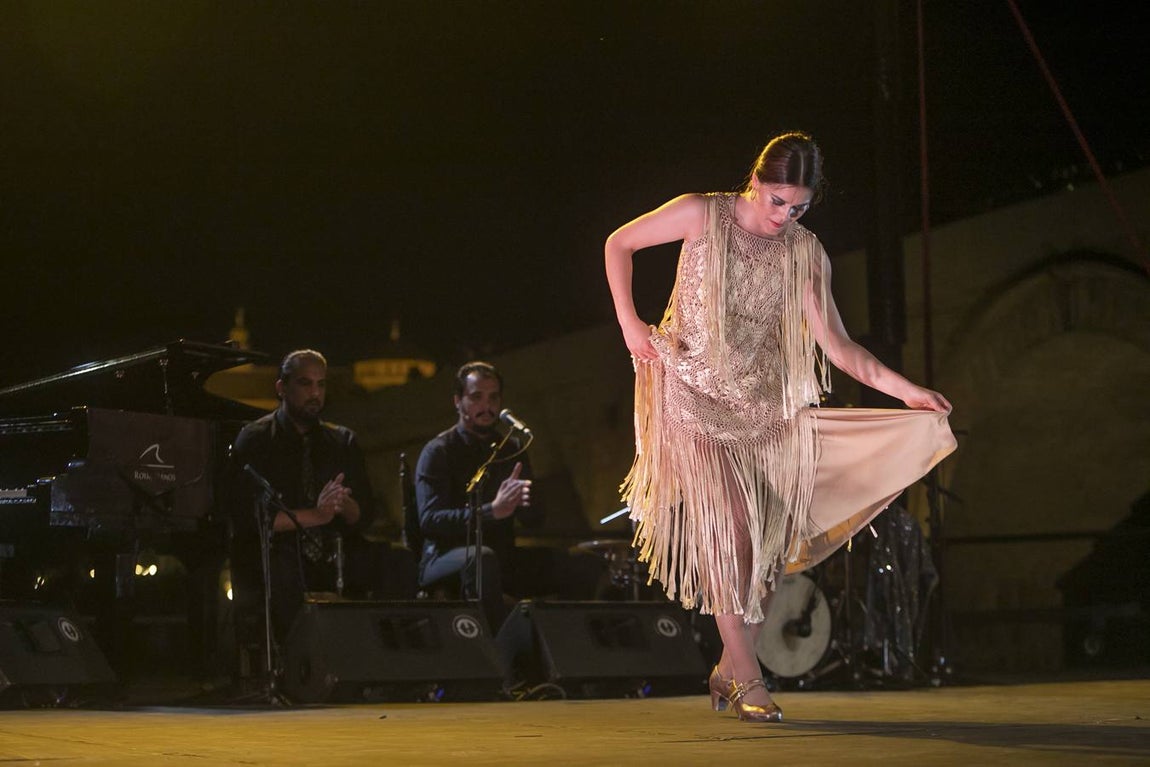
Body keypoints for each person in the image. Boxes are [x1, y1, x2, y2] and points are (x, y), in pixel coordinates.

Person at [604, 132, 956, 722]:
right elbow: (619, 244)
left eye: (798, 208)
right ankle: (751, 680)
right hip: (688, 393)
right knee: (734, 533)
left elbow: (840, 347)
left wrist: (908, 390)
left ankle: (726, 667)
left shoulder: (804, 253)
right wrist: (630, 324)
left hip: (765, 411)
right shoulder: (701, 213)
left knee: (765, 555)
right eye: (777, 201)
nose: (784, 216)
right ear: (755, 182)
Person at [230, 349, 416, 646]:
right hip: (282, 551)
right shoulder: (256, 439)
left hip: (334, 549)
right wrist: (316, 514)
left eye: (321, 384)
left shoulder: (342, 440)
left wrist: (344, 505)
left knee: (398, 562)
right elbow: (251, 519)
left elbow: (363, 516)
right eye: (305, 384)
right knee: (283, 569)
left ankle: (388, 658)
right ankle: (300, 665)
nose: (315, 393)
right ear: (282, 388)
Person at [414, 361, 603, 632]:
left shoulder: (510, 448)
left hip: (503, 556)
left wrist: (528, 501)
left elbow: (533, 521)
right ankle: (499, 660)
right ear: (458, 401)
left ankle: (569, 652)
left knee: (582, 565)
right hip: (445, 558)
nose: (486, 406)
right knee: (483, 559)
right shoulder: (439, 451)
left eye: (493, 397)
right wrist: (493, 510)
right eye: (476, 397)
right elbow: (431, 521)